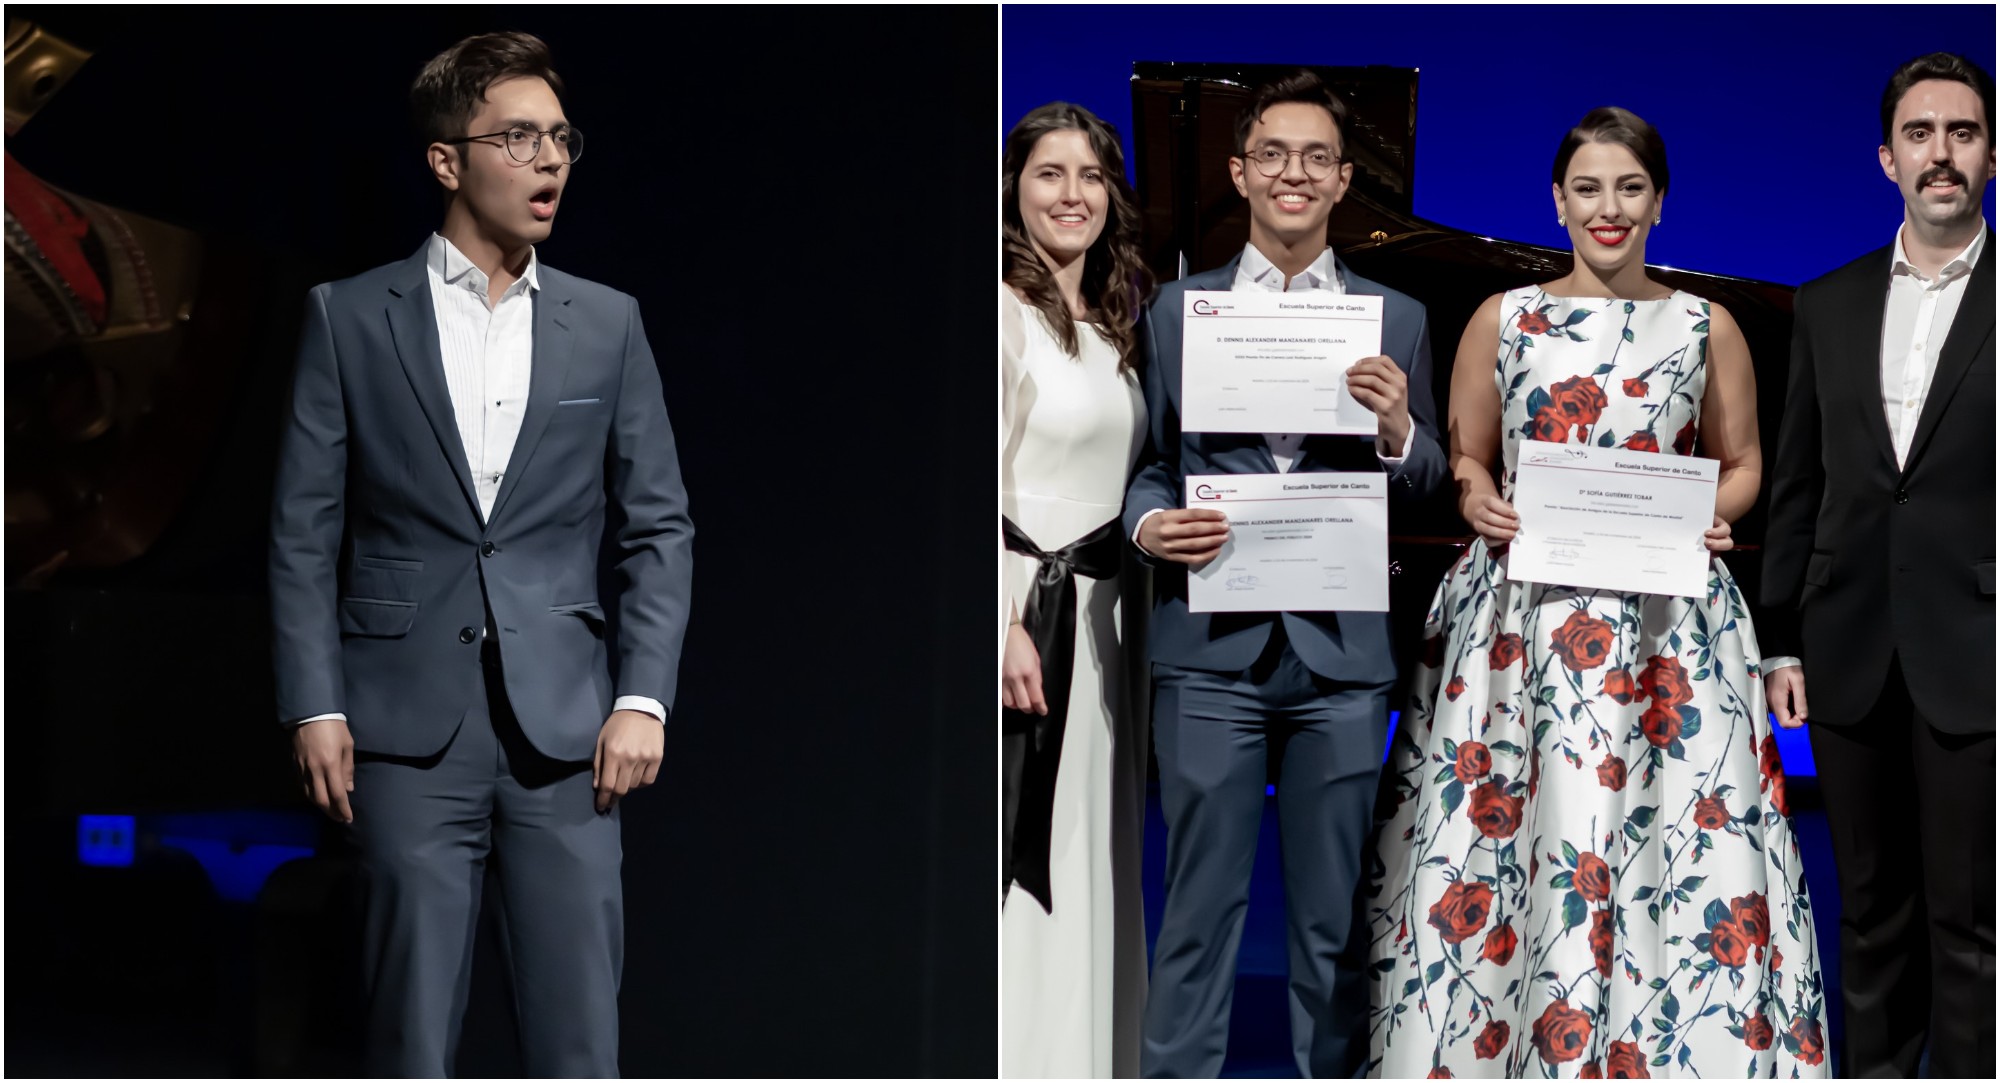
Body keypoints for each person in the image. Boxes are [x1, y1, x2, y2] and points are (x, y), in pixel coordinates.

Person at [1365, 107, 1827, 1078]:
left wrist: (1717, 511)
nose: (1606, 208)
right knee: (1522, 832)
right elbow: (1466, 456)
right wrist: (1478, 497)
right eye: (1586, 188)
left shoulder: (1707, 326)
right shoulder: (1503, 317)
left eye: (1627, 188)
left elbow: (1741, 464)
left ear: (1657, 201)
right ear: (1555, 201)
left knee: (1667, 839)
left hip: (1668, 621)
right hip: (1518, 622)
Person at [268, 31, 693, 1076]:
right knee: (406, 1034)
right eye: (518, 138)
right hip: (403, 729)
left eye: (560, 139)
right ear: (447, 160)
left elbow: (657, 524)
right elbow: (302, 529)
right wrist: (312, 704)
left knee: (577, 1037)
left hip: (566, 734)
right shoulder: (351, 316)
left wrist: (642, 698)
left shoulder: (607, 322)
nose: (549, 161)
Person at [1123, 70, 1447, 1079]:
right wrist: (1145, 530)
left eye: (1314, 157)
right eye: (1272, 154)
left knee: (1330, 926)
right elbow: (1143, 468)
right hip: (1207, 654)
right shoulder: (1176, 311)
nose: (1291, 173)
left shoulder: (1395, 319)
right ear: (1239, 172)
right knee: (1194, 917)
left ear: (1343, 180)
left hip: (1339, 662)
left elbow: (1430, 477)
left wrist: (1397, 431)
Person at [1762, 52, 1995, 1078]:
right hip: (1845, 646)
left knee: (1970, 925)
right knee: (1865, 917)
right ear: (1884, 157)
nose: (1938, 153)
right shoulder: (1826, 302)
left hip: (1977, 649)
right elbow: (1796, 487)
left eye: (1960, 132)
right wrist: (1777, 639)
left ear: (1989, 154)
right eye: (1918, 133)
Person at [1000, 101, 1151, 1079]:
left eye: (1090, 175)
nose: (1071, 194)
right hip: (1023, 613)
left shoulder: (1121, 325)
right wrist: (998, 619)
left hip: (1107, 620)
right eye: (1049, 173)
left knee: (1097, 851)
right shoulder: (1000, 310)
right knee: (1019, 846)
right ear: (1014, 190)